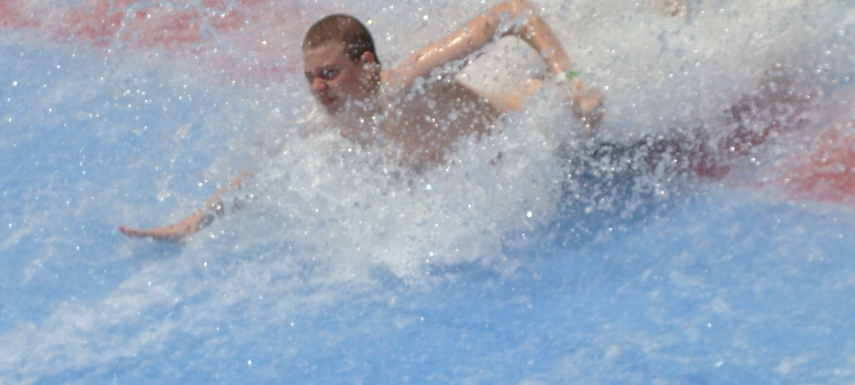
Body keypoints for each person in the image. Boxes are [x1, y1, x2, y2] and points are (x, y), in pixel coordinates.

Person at [120, 0, 602, 240]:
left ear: (367, 65)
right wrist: (191, 223)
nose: (317, 89)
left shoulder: (408, 79)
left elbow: (513, 12)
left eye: (329, 74)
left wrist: (573, 82)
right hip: (479, 160)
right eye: (310, 77)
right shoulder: (330, 120)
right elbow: (260, 172)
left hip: (529, 121)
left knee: (590, 112)